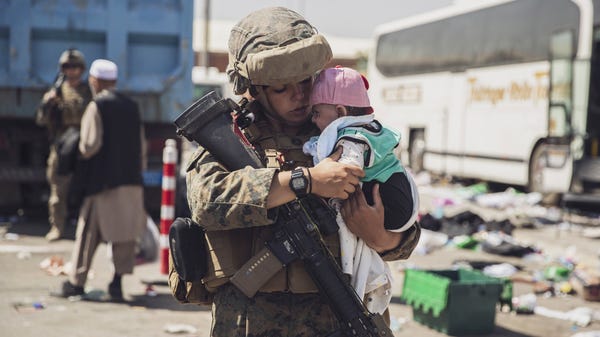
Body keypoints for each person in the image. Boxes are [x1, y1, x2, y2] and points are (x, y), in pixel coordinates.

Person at [185, 7, 421, 336]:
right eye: (282, 87)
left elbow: (406, 225)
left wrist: (381, 236)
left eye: (306, 80)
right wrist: (306, 181)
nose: (301, 95)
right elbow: (207, 202)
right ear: (255, 88)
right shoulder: (234, 138)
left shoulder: (346, 134)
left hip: (342, 314)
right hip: (253, 321)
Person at [303, 66, 420, 314]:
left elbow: (348, 169)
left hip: (389, 205)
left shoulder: (352, 137)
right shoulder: (362, 129)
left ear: (341, 112)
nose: (312, 120)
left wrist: (317, 180)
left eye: (315, 113)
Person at [51, 59, 146, 301]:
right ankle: (117, 284)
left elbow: (90, 145)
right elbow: (142, 148)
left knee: (88, 233)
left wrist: (78, 150)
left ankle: (77, 282)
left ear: (95, 81)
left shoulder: (97, 106)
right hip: (131, 181)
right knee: (125, 236)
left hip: (103, 182)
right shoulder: (132, 106)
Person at [36, 48, 93, 241]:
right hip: (62, 144)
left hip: (84, 144)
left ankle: (87, 229)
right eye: (68, 67)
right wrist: (48, 103)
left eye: (75, 66)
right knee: (57, 189)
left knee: (87, 189)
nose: (72, 70)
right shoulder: (56, 91)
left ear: (82, 69)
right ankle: (57, 226)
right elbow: (41, 120)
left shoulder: (89, 91)